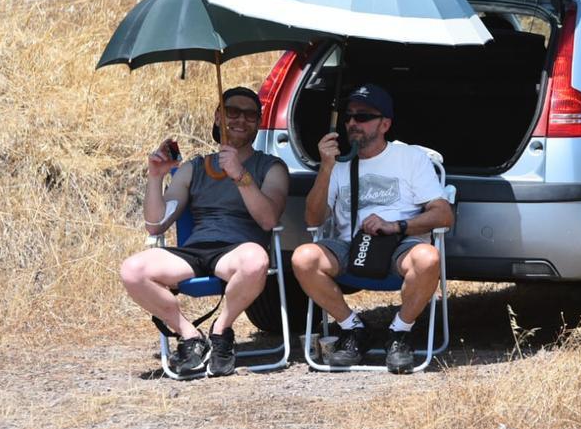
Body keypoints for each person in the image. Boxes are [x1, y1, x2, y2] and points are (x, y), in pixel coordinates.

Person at [119, 87, 288, 377]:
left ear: (259, 123)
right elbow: (156, 223)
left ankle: (221, 331)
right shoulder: (193, 168)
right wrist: (155, 176)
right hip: (195, 250)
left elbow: (268, 220)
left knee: (256, 259)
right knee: (132, 270)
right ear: (218, 117)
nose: (240, 119)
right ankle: (190, 336)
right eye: (232, 112)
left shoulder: (270, 167)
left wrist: (240, 175)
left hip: (238, 250)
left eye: (250, 114)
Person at [292, 83, 453, 374]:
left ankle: (399, 333)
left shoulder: (411, 158)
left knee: (429, 258)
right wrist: (326, 168)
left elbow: (444, 215)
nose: (353, 123)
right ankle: (353, 328)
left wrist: (396, 225)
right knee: (303, 257)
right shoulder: (339, 164)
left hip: (401, 245)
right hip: (348, 244)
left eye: (363, 116)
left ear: (385, 124)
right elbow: (313, 220)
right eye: (349, 116)